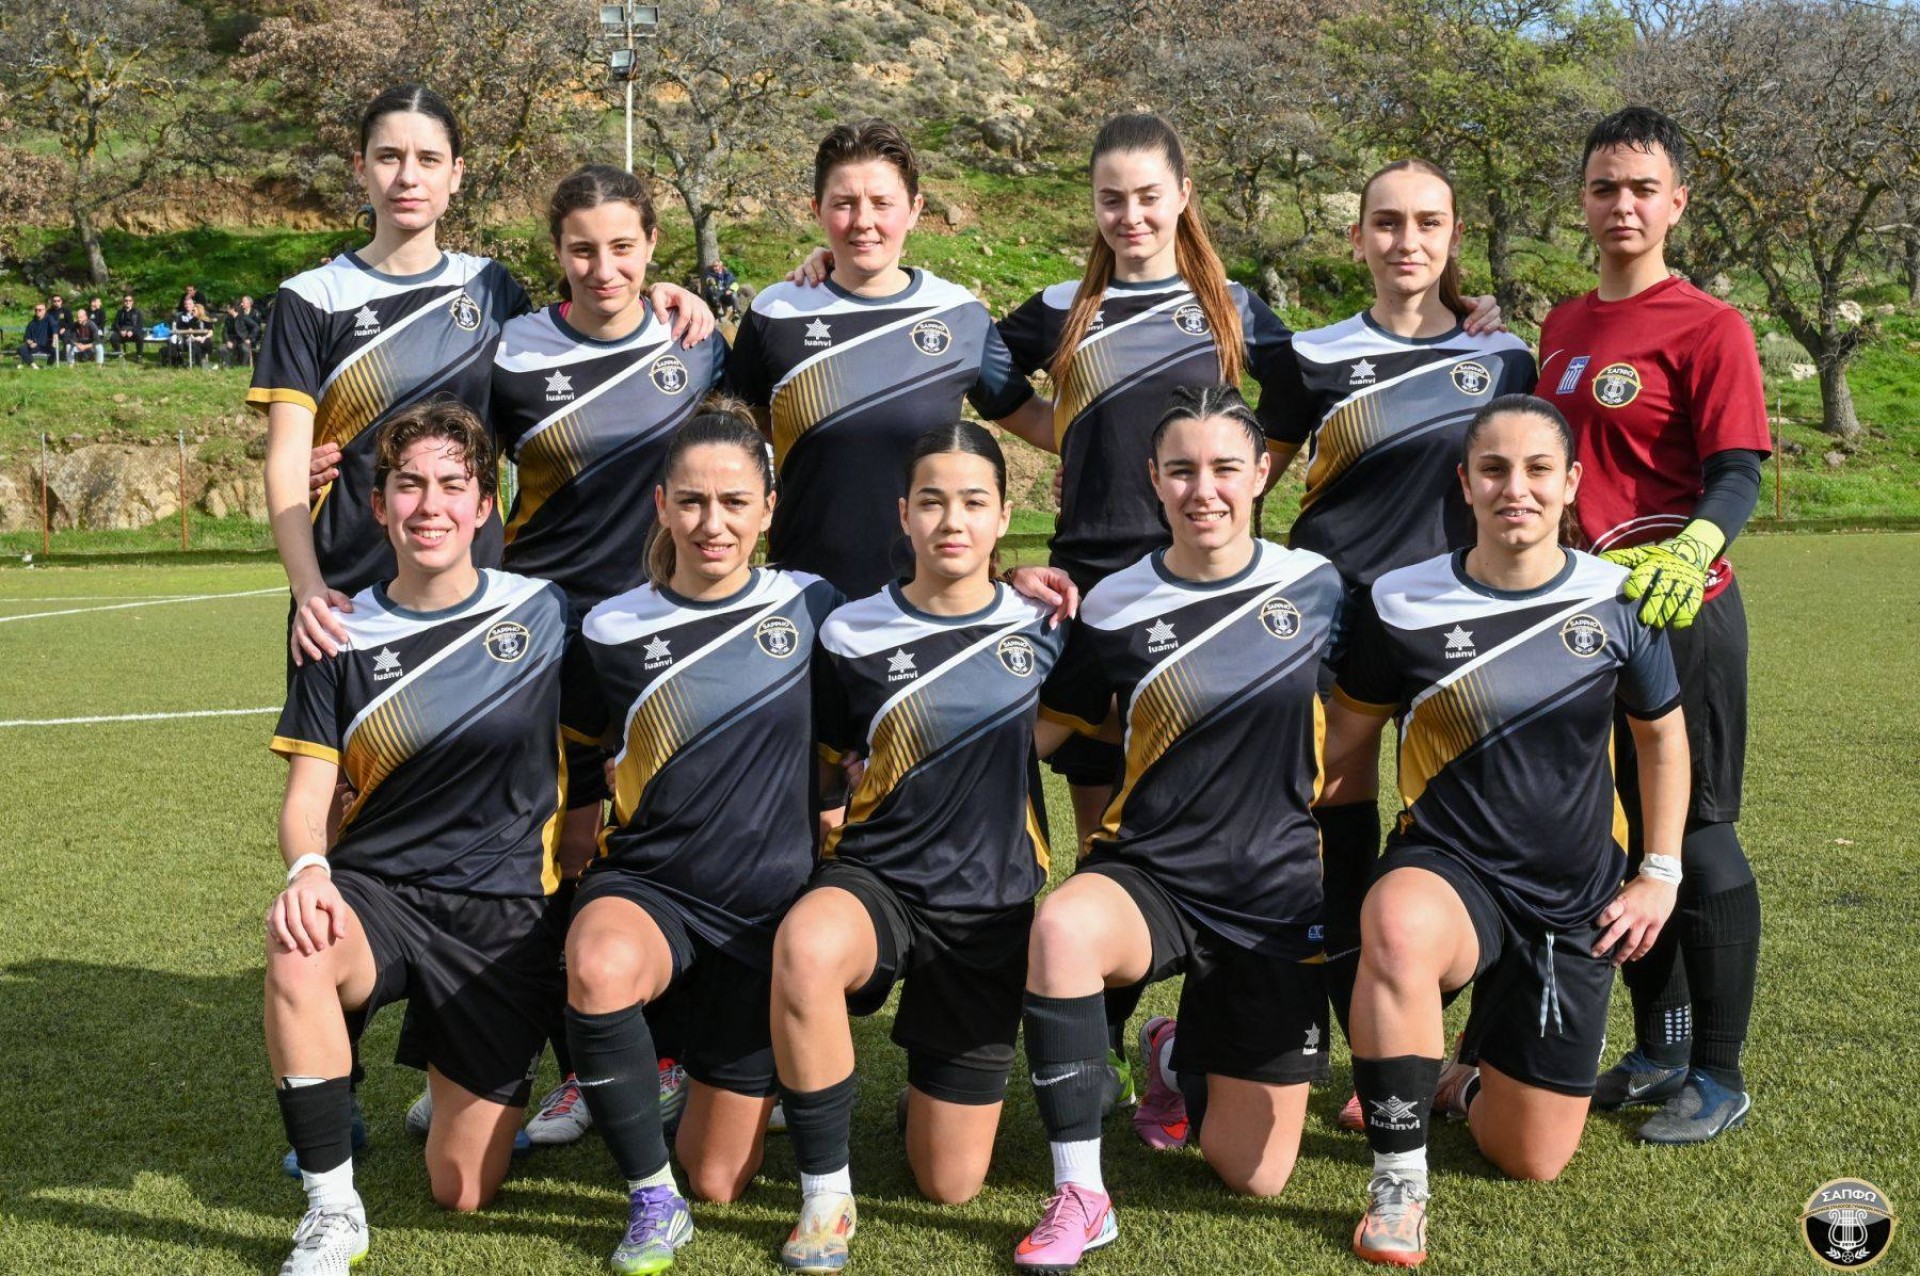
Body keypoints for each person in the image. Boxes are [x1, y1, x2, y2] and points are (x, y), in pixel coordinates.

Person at [1324, 394, 1689, 1267]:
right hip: (1450, 867)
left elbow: (1662, 741)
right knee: (1398, 924)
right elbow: (1345, 747)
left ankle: (1458, 1082)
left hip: (1573, 895)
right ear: (1465, 483)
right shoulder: (1401, 600)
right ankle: (1399, 1181)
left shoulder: (1617, 598)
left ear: (1571, 483)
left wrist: (1660, 872)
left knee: (1531, 1158)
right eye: (1493, 470)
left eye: (1536, 471)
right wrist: (1342, 877)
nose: (1513, 489)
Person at [1011, 385, 1342, 1273]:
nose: (1205, 490)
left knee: (1253, 1175)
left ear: (1261, 472)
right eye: (1182, 470)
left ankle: (1172, 1053)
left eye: (1225, 468)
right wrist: (1000, 597)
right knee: (1062, 928)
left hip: (1273, 893)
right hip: (1151, 873)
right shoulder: (1113, 605)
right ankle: (1081, 1193)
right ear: (1154, 480)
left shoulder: (1316, 586)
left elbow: (1374, 707)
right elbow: (1044, 727)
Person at [261, 399, 576, 1275]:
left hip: (502, 913)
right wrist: (309, 869)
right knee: (298, 944)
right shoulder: (335, 633)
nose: (429, 505)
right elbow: (307, 796)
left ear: (484, 506)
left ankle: (453, 1077)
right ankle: (332, 1209)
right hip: (379, 897)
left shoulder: (547, 613)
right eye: (408, 485)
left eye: (452, 485)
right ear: (378, 504)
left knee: (461, 1188)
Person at [257, 83, 708, 672]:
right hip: (347, 595)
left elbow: (579, 334)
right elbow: (286, 459)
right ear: (360, 169)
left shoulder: (492, 290)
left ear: (456, 174)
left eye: (429, 159)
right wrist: (309, 588)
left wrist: (656, 294)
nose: (408, 177)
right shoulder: (312, 299)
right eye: (389, 157)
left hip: (479, 594)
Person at [1270, 158, 1536, 1132]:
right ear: (1357, 238)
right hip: (1337, 622)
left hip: (1458, 629)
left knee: (1472, 830)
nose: (1406, 240)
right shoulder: (1312, 355)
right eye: (1386, 222)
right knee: (1330, 826)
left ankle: (1459, 1050)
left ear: (1453, 234)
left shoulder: (1504, 357)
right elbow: (1244, 479)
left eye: (1428, 221)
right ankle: (1367, 1051)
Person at [770, 422, 1064, 1273]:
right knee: (806, 945)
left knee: (950, 1183)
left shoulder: (1046, 624)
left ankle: (924, 1099)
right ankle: (826, 1194)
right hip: (879, 882)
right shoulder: (847, 631)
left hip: (989, 907)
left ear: (1004, 516)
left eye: (973, 502)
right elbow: (824, 760)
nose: (952, 521)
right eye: (932, 501)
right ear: (903, 514)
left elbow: (1077, 728)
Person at [561, 405, 842, 1275]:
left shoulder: (812, 605)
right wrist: (576, 838)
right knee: (597, 965)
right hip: (653, 890)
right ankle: (652, 1199)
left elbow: (921, 621)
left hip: (765, 916)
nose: (711, 523)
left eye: (733, 502)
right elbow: (578, 749)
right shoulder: (609, 627)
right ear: (660, 505)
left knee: (719, 1176)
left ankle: (686, 1076)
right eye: (690, 501)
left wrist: (1021, 578)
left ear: (767, 509)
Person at [1538, 106, 1772, 1144]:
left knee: (1700, 832)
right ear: (1583, 201)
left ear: (1677, 202)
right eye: (1604, 187)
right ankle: (1660, 1049)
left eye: (1642, 188)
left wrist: (1691, 548)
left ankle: (1719, 1071)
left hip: (1684, 612)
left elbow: (1738, 471)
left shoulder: (1710, 325)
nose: (1622, 205)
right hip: (1587, 620)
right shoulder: (1562, 325)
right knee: (1629, 830)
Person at [484, 162, 726, 1148]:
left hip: (661, 642)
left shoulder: (694, 343)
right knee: (551, 848)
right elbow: (449, 459)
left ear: (653, 245)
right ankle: (565, 1063)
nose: (603, 267)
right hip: (541, 639)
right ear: (556, 252)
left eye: (623, 247)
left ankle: (666, 1055)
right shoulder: (511, 352)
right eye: (581, 249)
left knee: (654, 839)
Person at [726, 118, 1052, 601]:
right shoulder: (776, 312)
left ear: (914, 209)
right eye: (844, 203)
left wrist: (1120, 453)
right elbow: (731, 440)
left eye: (882, 203)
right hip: (803, 600)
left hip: (925, 605)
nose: (863, 221)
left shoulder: (957, 313)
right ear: (817, 209)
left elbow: (1035, 420)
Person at [225, 295, 263, 367]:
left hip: (252, 338)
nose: (241, 304)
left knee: (244, 347)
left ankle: (244, 365)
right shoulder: (240, 313)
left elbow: (256, 328)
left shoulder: (256, 313)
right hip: (240, 337)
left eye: (243, 302)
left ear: (249, 303)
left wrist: (250, 338)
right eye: (241, 302)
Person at [19, 302, 59, 368]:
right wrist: (30, 342)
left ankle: (49, 366)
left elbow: (54, 327)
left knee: (54, 348)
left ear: (44, 311)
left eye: (40, 310)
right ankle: (33, 365)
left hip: (47, 345)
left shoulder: (49, 319)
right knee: (22, 348)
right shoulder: (32, 323)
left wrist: (55, 337)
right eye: (36, 310)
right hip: (35, 346)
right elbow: (26, 337)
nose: (37, 311)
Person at [111, 294, 146, 361]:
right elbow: (115, 324)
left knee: (140, 336)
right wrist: (120, 331)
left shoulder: (137, 312)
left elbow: (140, 325)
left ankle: (139, 355)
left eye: (130, 300)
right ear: (123, 302)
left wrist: (132, 331)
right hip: (123, 331)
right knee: (113, 337)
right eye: (126, 300)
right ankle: (119, 354)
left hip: (133, 331)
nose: (128, 302)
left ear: (132, 302)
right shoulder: (120, 312)